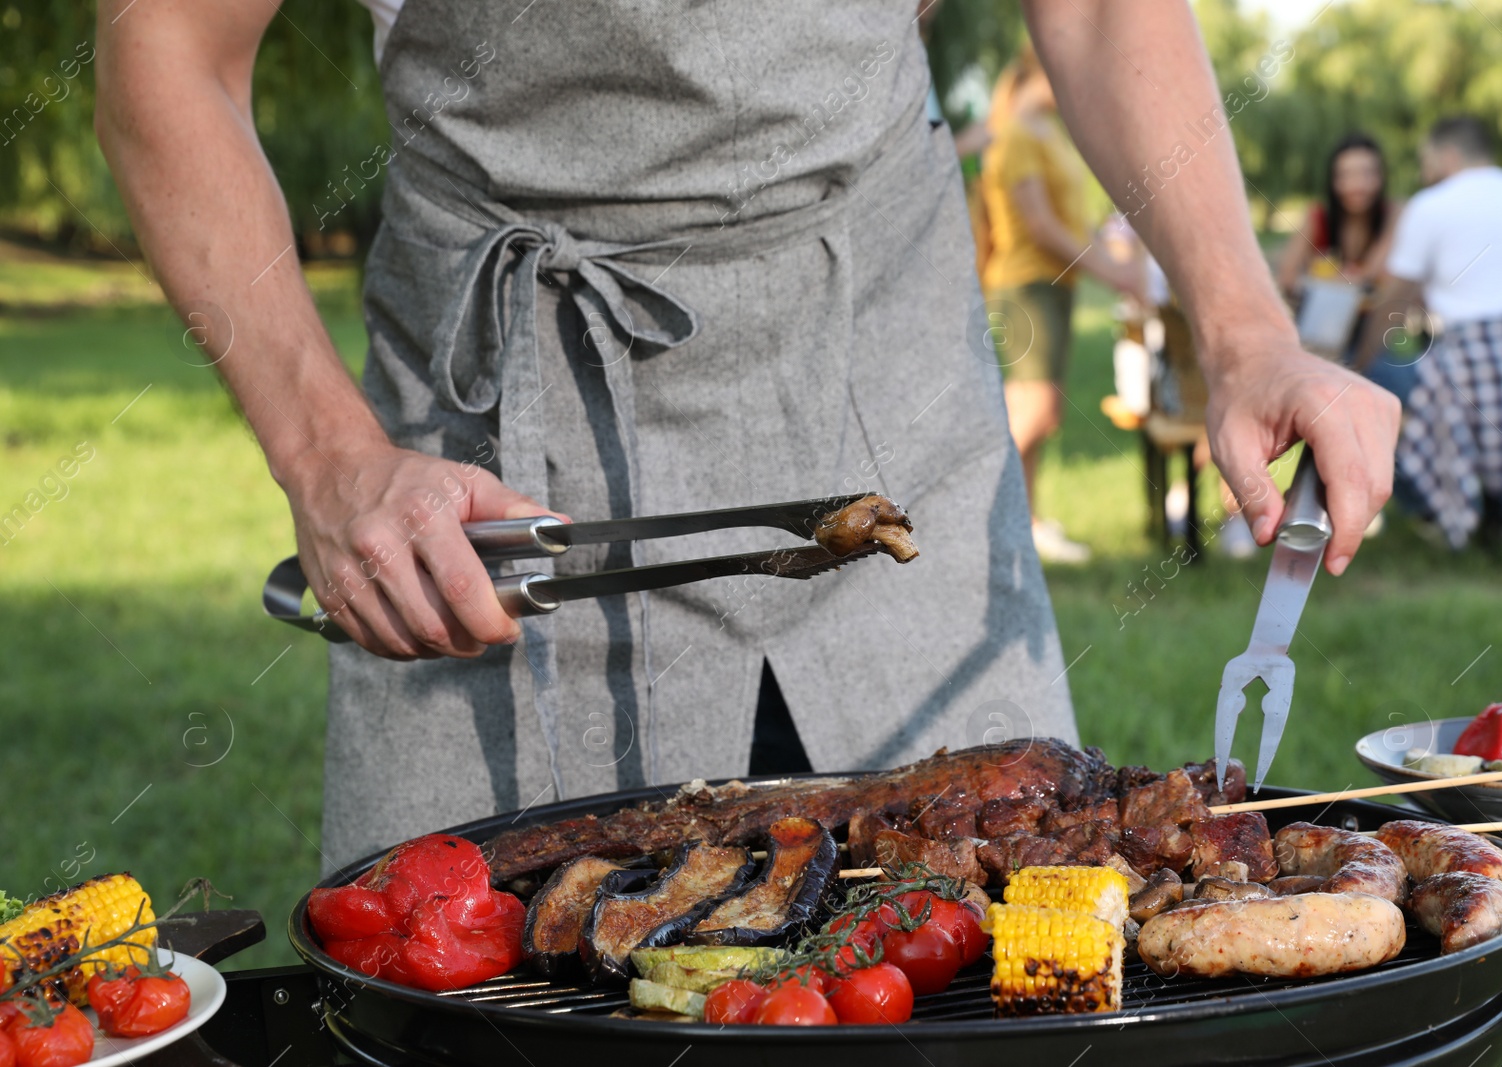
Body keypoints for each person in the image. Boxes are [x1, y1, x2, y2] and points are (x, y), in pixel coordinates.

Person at [96, 0, 1399, 869]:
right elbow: (166, 44)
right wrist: (331, 461)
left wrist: (1243, 325)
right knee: (486, 969)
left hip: (878, 356)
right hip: (494, 433)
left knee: (990, 947)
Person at [1357, 116, 1502, 550]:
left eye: (1426, 161)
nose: (1424, 172)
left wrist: (1357, 363)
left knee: (1374, 383)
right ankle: (1500, 510)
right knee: (1452, 380)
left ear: (1448, 155)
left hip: (1471, 362)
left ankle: (1436, 511)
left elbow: (1395, 301)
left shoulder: (1431, 204)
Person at [979, 43, 1144, 564]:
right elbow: (1041, 227)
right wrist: (1111, 273)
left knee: (1039, 414)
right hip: (1026, 286)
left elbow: (1073, 219)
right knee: (1034, 411)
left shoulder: (1051, 134)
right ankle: (980, 518)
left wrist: (1116, 254)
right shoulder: (1018, 135)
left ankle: (1021, 524)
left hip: (1057, 287)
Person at [1276, 133, 1397, 296]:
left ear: (1381, 177)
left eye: (1367, 174)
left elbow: (1370, 274)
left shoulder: (1393, 215)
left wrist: (1319, 279)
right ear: (1333, 181)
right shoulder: (1317, 218)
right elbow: (1286, 277)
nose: (1357, 185)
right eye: (1346, 175)